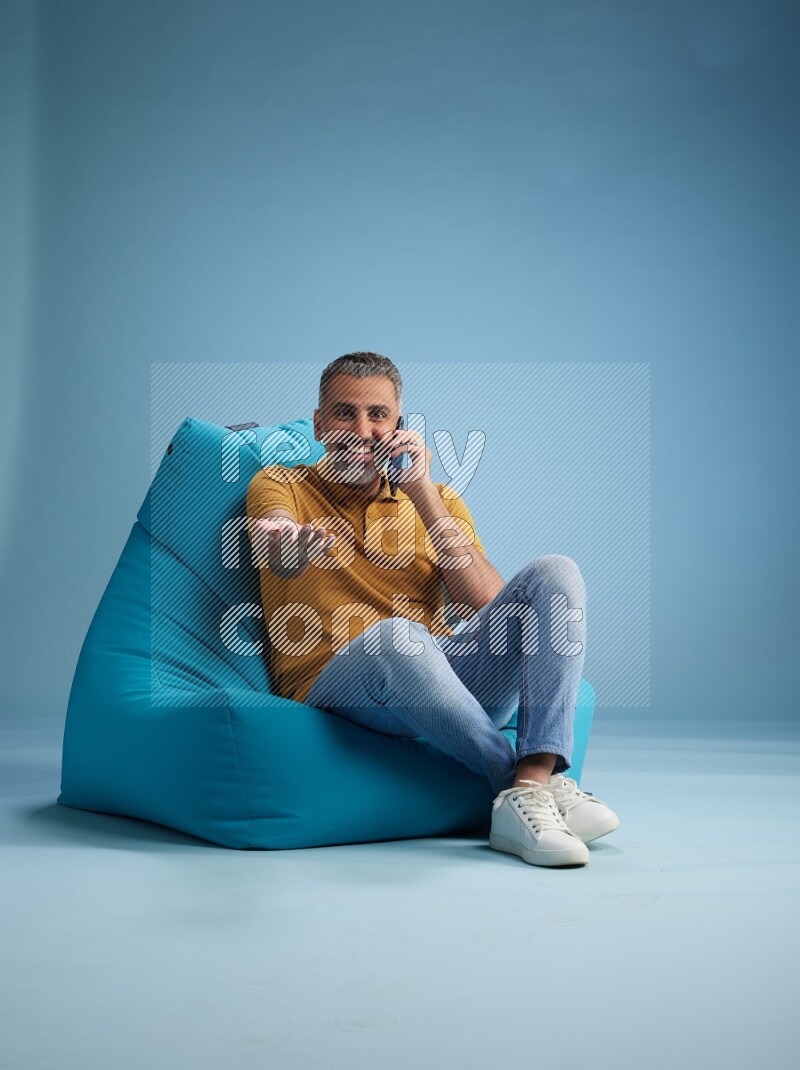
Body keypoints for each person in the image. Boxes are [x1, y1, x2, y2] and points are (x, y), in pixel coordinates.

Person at [246, 352, 620, 868]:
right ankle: (514, 785)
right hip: (339, 684)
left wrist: (421, 489)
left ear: (398, 424)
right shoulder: (281, 484)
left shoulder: (435, 499)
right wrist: (291, 546)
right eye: (343, 413)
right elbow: (276, 549)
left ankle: (534, 780)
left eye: (378, 415)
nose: (362, 429)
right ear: (318, 422)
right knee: (398, 635)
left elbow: (487, 603)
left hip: (440, 678)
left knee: (556, 572)